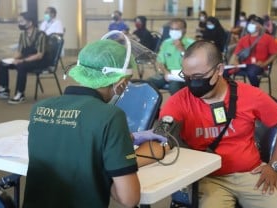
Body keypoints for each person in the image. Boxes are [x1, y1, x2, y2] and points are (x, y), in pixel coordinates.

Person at [23, 38, 169, 207]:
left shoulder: (39, 108)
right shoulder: (111, 116)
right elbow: (129, 199)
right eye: (127, 82)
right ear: (120, 82)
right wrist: (118, 154)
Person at [160, 40, 277, 207]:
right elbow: (161, 136)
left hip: (250, 173)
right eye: (187, 77)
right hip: (207, 178)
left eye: (199, 77)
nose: (192, 83)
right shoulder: (178, 102)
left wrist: (274, 166)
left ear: (219, 70)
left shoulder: (250, 95)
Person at [0, 12, 47, 104]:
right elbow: (19, 52)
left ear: (30, 23)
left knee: (21, 66)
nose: (19, 23)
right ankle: (4, 89)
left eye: (22, 21)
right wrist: (13, 59)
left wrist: (21, 60)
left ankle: (20, 94)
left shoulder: (41, 35)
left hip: (38, 61)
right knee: (3, 63)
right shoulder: (23, 35)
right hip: (25, 59)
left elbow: (39, 55)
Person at [147, 18, 194, 95]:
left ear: (184, 30)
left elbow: (193, 63)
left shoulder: (192, 44)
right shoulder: (166, 43)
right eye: (172, 29)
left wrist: (182, 49)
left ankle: (178, 106)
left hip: (183, 75)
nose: (173, 31)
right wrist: (165, 72)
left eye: (177, 29)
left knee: (174, 86)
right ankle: (155, 105)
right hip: (168, 73)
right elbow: (160, 61)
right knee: (148, 83)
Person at [229, 16, 277, 87]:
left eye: (254, 23)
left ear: (260, 26)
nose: (251, 24)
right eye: (250, 23)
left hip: (258, 66)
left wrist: (265, 63)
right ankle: (231, 90)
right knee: (224, 72)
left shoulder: (268, 38)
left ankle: (255, 91)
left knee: (251, 73)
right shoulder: (244, 39)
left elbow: (275, 53)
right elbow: (236, 54)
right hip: (243, 65)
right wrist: (236, 61)